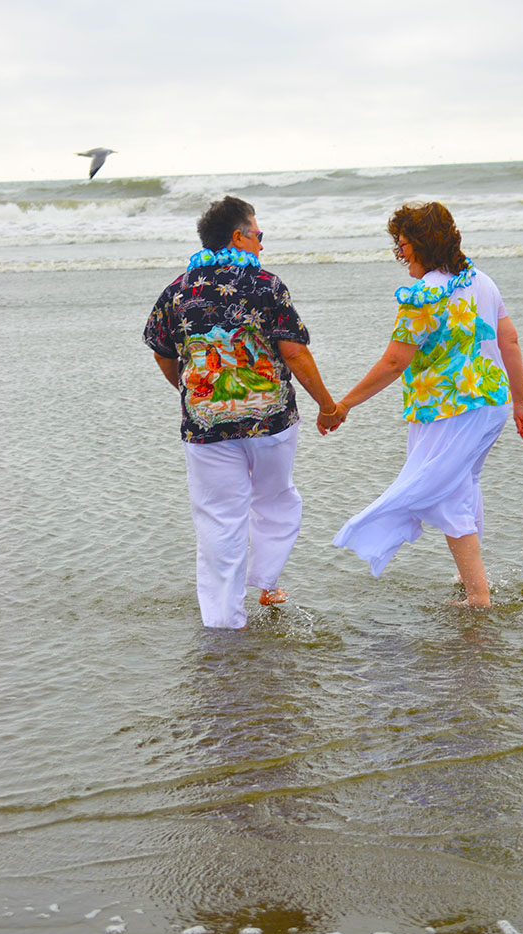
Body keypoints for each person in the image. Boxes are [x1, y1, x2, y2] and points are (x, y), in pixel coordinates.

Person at [144, 195, 345, 629]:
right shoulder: (267, 286)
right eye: (259, 234)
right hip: (270, 422)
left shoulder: (176, 291)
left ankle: (224, 623)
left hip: (205, 427)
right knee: (277, 498)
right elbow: (293, 352)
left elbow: (162, 352)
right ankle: (266, 579)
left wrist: (195, 388)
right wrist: (327, 407)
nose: (262, 244)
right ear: (239, 236)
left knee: (219, 520)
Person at [328, 201, 523, 608]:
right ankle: (469, 578)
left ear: (424, 244)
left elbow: (394, 361)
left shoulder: (425, 295)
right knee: (463, 485)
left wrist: (345, 404)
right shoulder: (482, 281)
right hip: (490, 405)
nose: (400, 252)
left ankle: (478, 596)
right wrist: (521, 401)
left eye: (404, 244)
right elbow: (509, 339)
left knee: (444, 495)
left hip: (449, 411)